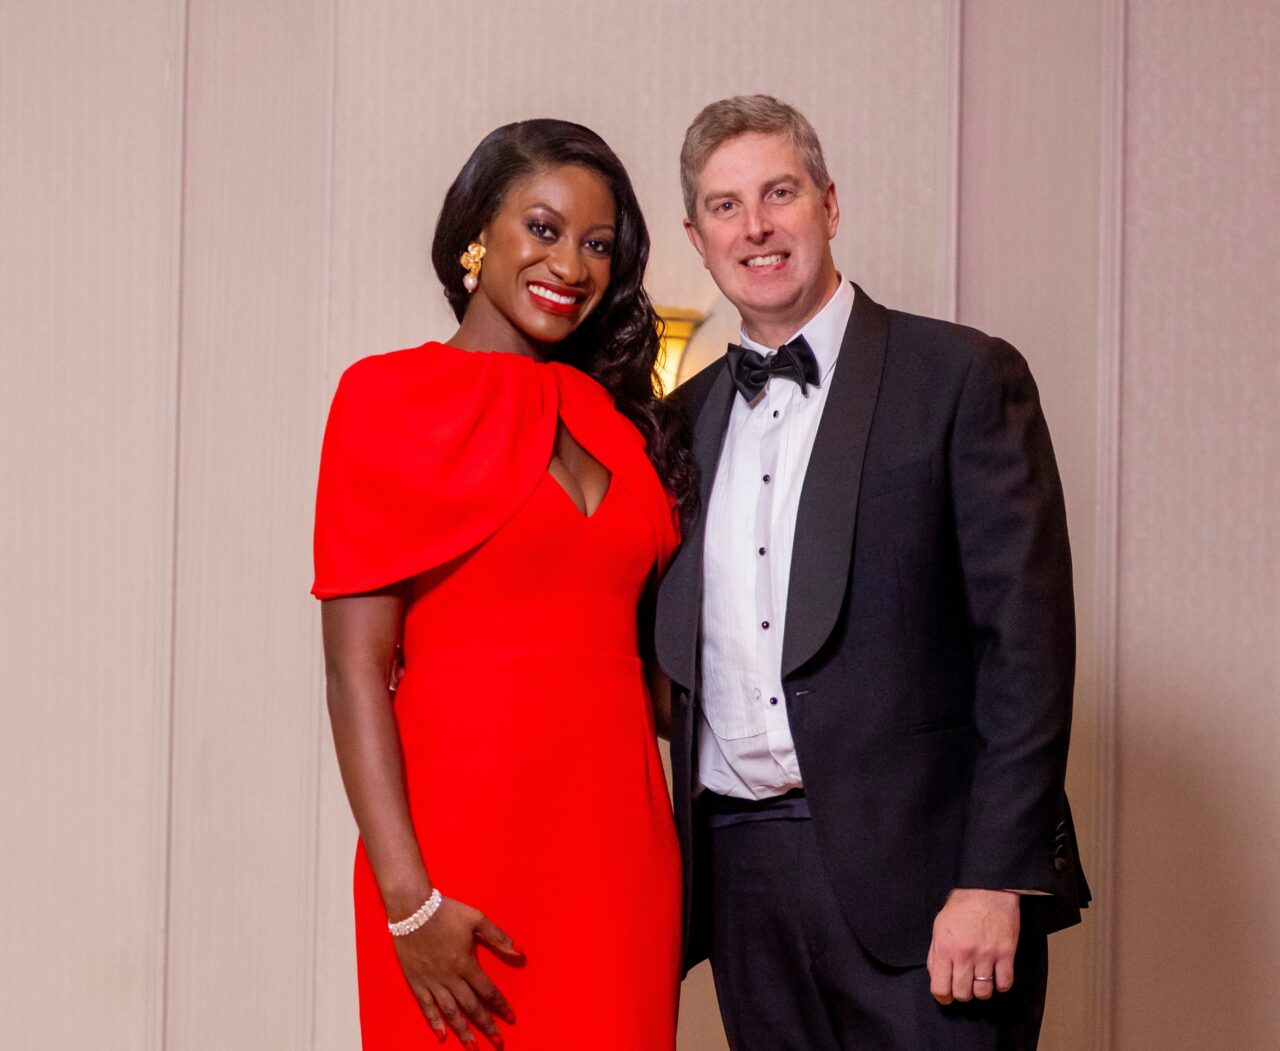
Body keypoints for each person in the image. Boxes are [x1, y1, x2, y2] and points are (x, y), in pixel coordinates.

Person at [654, 95, 1090, 1049]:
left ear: (829, 203)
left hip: (933, 883)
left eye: (779, 193)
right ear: (696, 238)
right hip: (742, 882)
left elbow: (1026, 649)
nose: (755, 226)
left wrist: (995, 877)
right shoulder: (678, 425)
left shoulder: (962, 377)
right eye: (725, 206)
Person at [313, 119, 693, 1050]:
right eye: (543, 227)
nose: (571, 264)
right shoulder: (386, 398)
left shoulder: (622, 422)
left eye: (598, 244)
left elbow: (663, 671)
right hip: (458, 861)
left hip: (621, 859)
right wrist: (410, 902)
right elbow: (355, 670)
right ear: (478, 229)